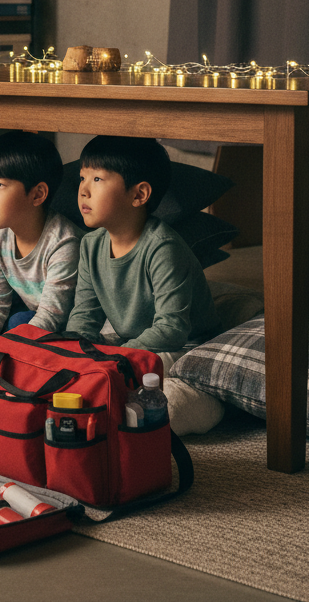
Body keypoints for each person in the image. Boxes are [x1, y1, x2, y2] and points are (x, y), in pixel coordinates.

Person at [65, 134, 225, 434]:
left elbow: (172, 329)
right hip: (134, 346)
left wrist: (117, 359)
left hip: (183, 349)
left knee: (164, 407)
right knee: (75, 375)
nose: (83, 190)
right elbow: (85, 315)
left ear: (139, 195)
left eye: (97, 179)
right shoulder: (90, 245)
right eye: (82, 178)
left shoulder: (162, 248)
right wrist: (76, 351)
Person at [0, 131, 81, 382]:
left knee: (20, 321)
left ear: (37, 194)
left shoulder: (63, 242)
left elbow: (52, 317)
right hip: (27, 319)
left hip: (63, 326)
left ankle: (3, 361)